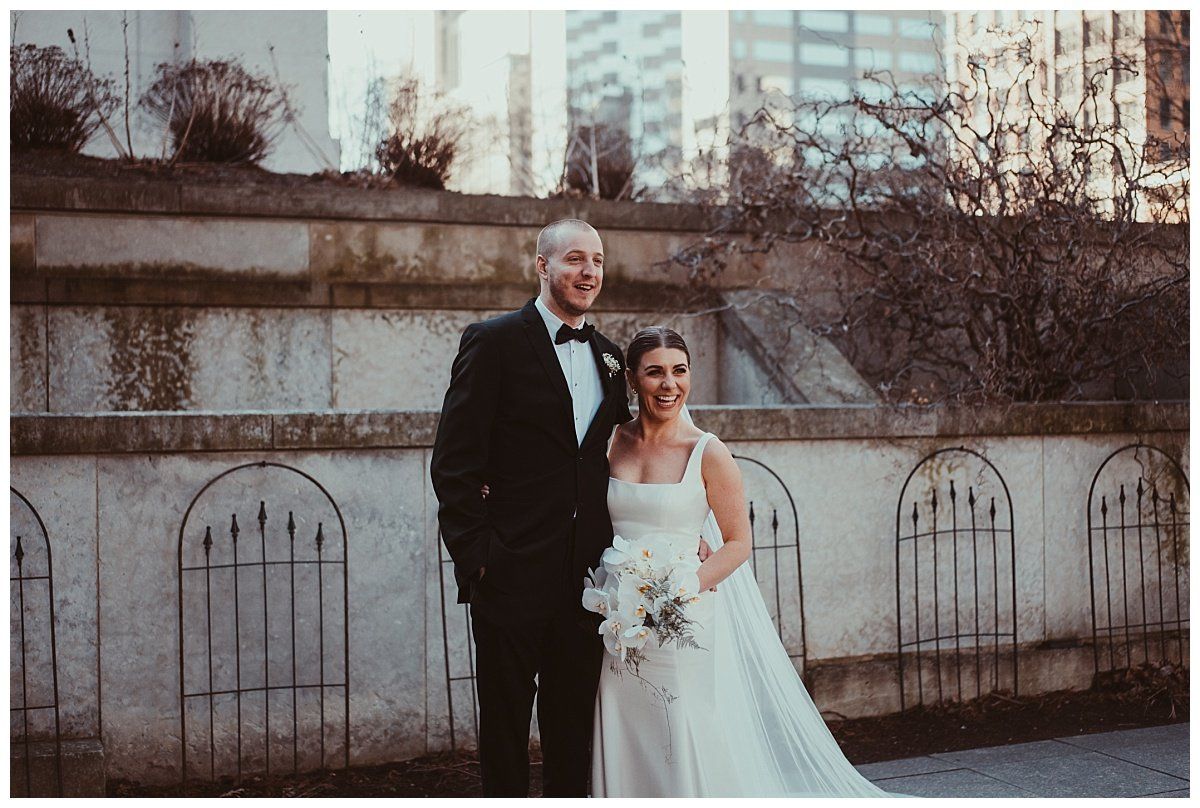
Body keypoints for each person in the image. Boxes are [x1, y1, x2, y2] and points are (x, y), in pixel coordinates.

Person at [590, 326, 910, 798]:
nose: (669, 384)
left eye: (679, 371)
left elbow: (739, 542)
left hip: (685, 614)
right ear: (633, 381)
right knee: (624, 722)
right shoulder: (610, 442)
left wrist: (681, 587)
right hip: (618, 619)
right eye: (654, 372)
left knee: (683, 724)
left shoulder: (707, 451)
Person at [429, 219, 633, 797]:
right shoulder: (493, 342)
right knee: (504, 730)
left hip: (587, 583)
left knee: (574, 730)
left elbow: (618, 459)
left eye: (596, 260)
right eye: (574, 259)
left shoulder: (610, 358)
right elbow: (454, 462)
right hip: (509, 574)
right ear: (541, 266)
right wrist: (480, 559)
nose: (588, 272)